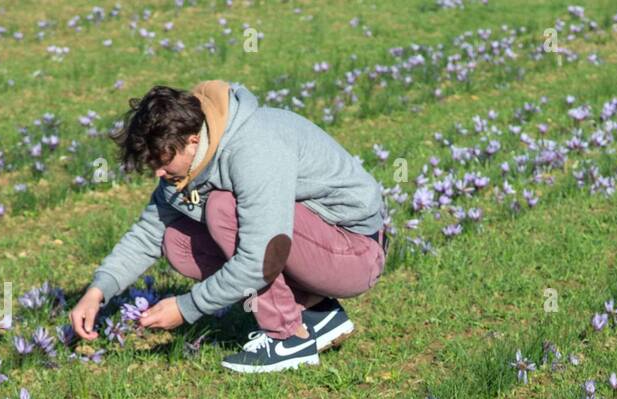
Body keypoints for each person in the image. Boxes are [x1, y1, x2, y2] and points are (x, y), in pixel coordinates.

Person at [68, 80, 388, 373]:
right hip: (314, 246)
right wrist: (99, 290)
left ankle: (288, 339)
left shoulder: (253, 149)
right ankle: (319, 313)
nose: (159, 174)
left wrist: (186, 307)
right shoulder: (186, 165)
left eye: (163, 162)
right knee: (177, 241)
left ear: (193, 141)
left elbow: (263, 257)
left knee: (222, 208)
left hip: (355, 252)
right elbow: (148, 233)